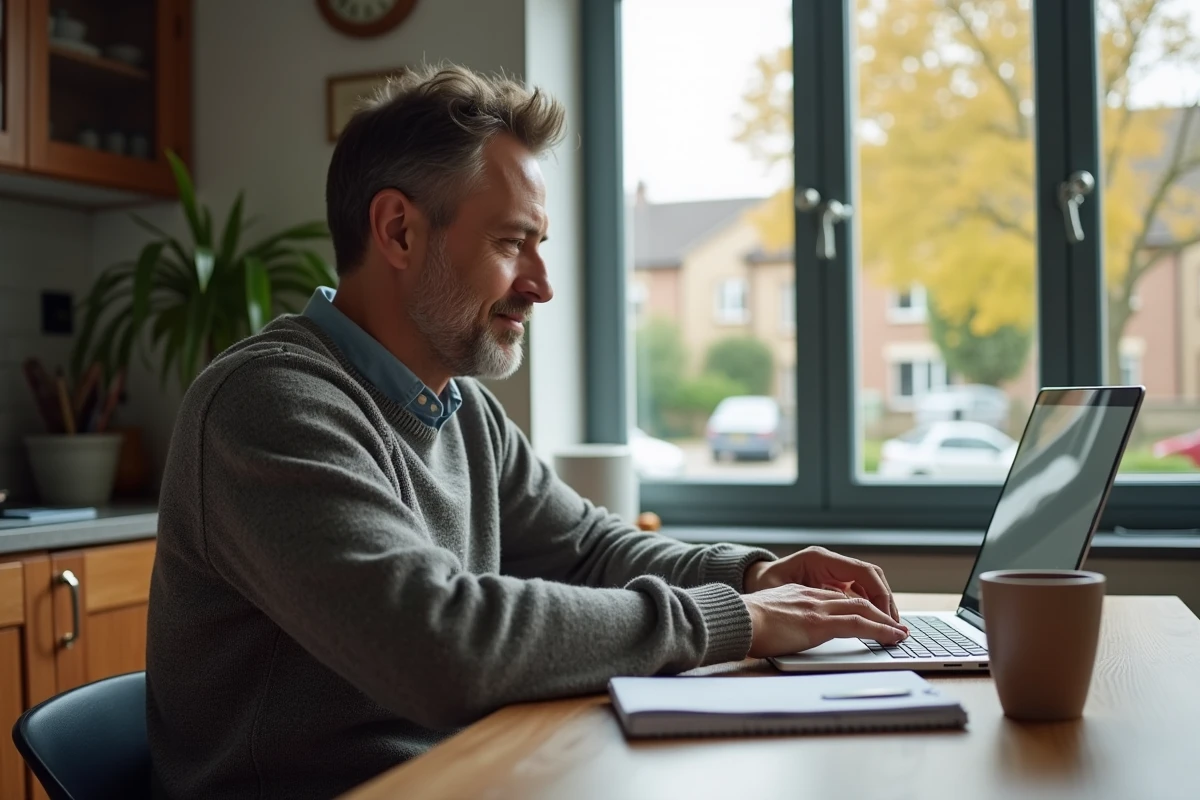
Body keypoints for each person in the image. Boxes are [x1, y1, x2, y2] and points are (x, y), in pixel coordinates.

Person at [146, 63, 909, 799]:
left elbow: (588, 550)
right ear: (399, 232)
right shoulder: (268, 404)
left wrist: (751, 577)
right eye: (513, 244)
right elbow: (440, 645)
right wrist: (735, 620)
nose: (541, 284)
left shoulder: (458, 408)